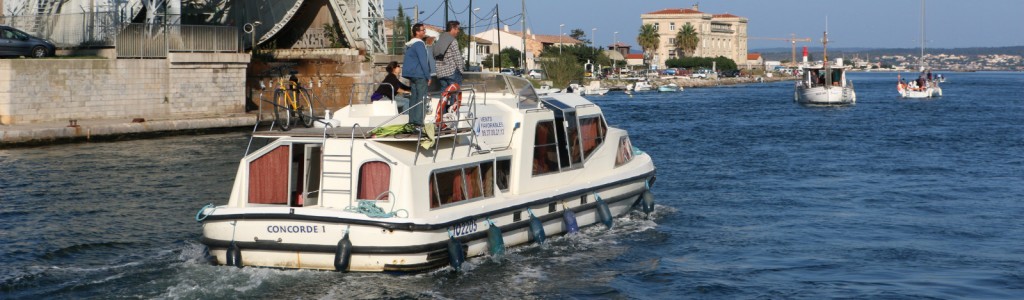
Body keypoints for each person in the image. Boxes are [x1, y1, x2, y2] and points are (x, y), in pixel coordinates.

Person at [401, 23, 434, 127]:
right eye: (423, 30)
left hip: (412, 75)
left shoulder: (410, 44)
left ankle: (412, 121)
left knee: (414, 98)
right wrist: (428, 76)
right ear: (417, 32)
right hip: (420, 75)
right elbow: (423, 61)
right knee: (421, 99)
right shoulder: (419, 44)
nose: (425, 32)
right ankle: (418, 123)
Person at [433, 21, 464, 105]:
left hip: (441, 73)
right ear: (453, 29)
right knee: (455, 94)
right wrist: (461, 71)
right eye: (457, 29)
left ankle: (443, 114)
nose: (458, 31)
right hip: (452, 72)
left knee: (444, 95)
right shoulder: (452, 40)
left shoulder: (440, 40)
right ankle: (453, 115)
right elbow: (457, 57)